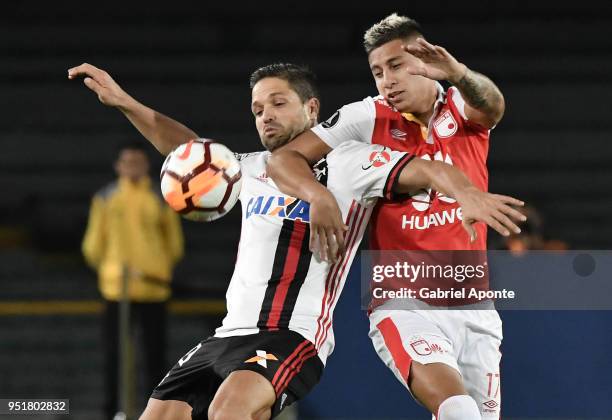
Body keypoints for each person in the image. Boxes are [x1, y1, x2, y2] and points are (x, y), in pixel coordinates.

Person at [69, 62, 522, 420]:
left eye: (277, 103)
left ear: (311, 110)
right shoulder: (251, 169)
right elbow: (189, 151)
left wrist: (465, 194)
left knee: (231, 410)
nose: (265, 115)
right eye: (258, 109)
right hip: (228, 335)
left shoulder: (350, 164)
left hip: (293, 336)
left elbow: (425, 168)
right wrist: (124, 101)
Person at [266, 14, 516, 419]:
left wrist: (458, 73)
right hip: (404, 304)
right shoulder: (366, 118)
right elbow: (284, 158)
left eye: (396, 66)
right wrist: (318, 197)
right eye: (377, 72)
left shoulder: (458, 105)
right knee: (458, 410)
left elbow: (493, 105)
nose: (386, 80)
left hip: (474, 305)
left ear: (425, 60)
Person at [82, 141, 184, 420]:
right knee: (115, 356)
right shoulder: (106, 197)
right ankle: (112, 411)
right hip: (117, 290)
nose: (133, 167)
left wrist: (159, 269)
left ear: (146, 165)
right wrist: (110, 270)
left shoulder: (161, 196)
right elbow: (93, 244)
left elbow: (174, 243)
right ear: (118, 166)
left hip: (154, 289)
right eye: (127, 162)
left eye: (138, 162)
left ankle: (156, 413)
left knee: (155, 356)